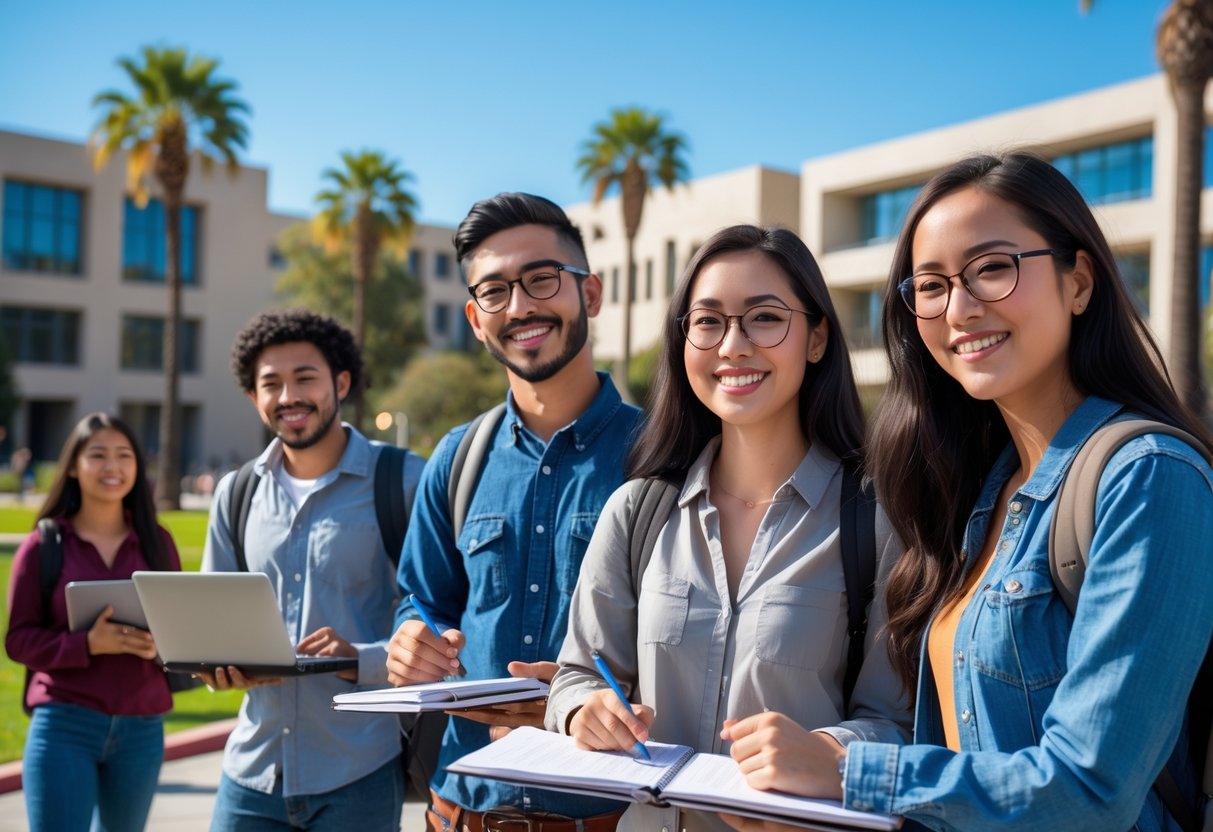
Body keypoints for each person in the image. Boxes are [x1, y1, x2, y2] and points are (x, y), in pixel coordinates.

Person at [719, 152, 1213, 832]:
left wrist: (842, 773)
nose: (958, 308)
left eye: (991, 268)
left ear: (1078, 281)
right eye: (929, 285)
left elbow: (1090, 790)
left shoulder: (1148, 476)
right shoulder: (977, 489)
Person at [544, 224, 913, 832]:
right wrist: (583, 709)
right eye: (708, 321)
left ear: (816, 337)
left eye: (765, 318)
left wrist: (826, 750)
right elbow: (577, 674)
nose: (733, 346)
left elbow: (896, 723)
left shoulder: (875, 521)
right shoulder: (637, 511)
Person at [385, 192, 643, 831]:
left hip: (606, 813)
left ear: (590, 294)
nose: (521, 306)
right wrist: (410, 643)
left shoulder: (663, 454)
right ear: (475, 320)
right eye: (495, 291)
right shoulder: (457, 457)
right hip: (461, 812)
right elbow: (421, 601)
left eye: (542, 279)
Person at [201, 308, 425, 831]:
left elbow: (441, 619)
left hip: (359, 772)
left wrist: (362, 659)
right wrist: (218, 665)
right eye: (270, 384)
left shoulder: (404, 482)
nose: (288, 397)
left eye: (305, 378)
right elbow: (214, 619)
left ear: (340, 382)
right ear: (253, 398)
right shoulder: (235, 494)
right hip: (252, 772)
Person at [5, 412, 181, 832]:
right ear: (72, 466)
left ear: (138, 467)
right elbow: (18, 640)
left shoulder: (158, 544)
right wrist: (86, 645)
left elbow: (183, 633)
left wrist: (161, 646)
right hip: (64, 722)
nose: (112, 467)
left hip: (142, 727)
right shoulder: (42, 545)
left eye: (124, 455)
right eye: (97, 455)